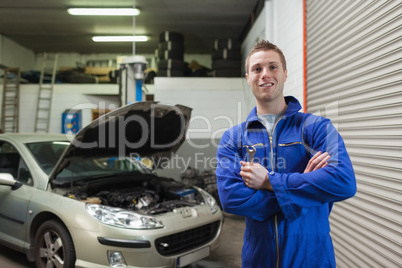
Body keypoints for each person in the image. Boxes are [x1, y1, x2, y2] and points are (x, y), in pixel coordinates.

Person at [215, 40, 356, 268]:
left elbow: (344, 182)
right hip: (259, 260)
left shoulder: (317, 127)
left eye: (273, 67)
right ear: (248, 77)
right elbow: (231, 199)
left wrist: (270, 181)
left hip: (312, 259)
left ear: (285, 73)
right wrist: (304, 190)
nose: (265, 74)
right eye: (257, 69)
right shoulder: (234, 138)